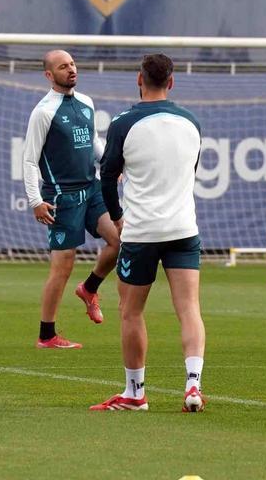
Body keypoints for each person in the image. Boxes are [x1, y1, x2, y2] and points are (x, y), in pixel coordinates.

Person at [91, 54, 206, 412]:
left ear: (139, 80)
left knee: (130, 311)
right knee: (189, 308)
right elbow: (193, 170)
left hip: (141, 231)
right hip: (184, 227)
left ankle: (135, 393)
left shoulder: (124, 123)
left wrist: (117, 217)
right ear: (171, 82)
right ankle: (192, 386)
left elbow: (107, 177)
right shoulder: (191, 122)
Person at [23, 49, 122, 349]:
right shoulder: (43, 112)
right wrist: (35, 201)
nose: (71, 69)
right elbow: (29, 160)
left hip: (91, 189)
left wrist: (109, 163)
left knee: (120, 239)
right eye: (63, 66)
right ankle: (47, 335)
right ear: (49, 75)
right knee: (62, 268)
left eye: (72, 64)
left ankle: (89, 289)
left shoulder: (86, 103)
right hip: (62, 197)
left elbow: (92, 142)